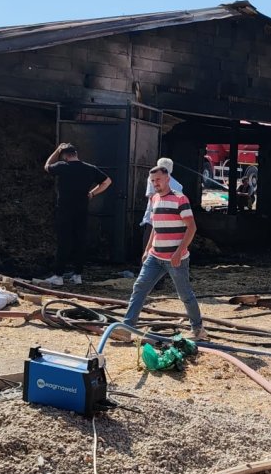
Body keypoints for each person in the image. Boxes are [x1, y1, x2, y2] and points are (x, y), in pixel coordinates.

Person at [122, 163, 205, 339]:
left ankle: (198, 329)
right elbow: (155, 227)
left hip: (176, 258)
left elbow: (192, 227)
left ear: (168, 179)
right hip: (155, 255)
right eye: (152, 181)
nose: (155, 183)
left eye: (158, 179)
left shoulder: (180, 199)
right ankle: (127, 328)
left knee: (184, 294)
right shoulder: (154, 199)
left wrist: (178, 252)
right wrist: (147, 250)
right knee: (139, 287)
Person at [43, 142, 111, 286]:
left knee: (64, 242)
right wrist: (92, 193)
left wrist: (56, 150)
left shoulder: (62, 166)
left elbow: (47, 166)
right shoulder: (90, 169)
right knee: (80, 241)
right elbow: (107, 181)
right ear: (76, 154)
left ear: (65, 156)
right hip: (82, 210)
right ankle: (77, 275)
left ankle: (58, 275)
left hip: (64, 210)